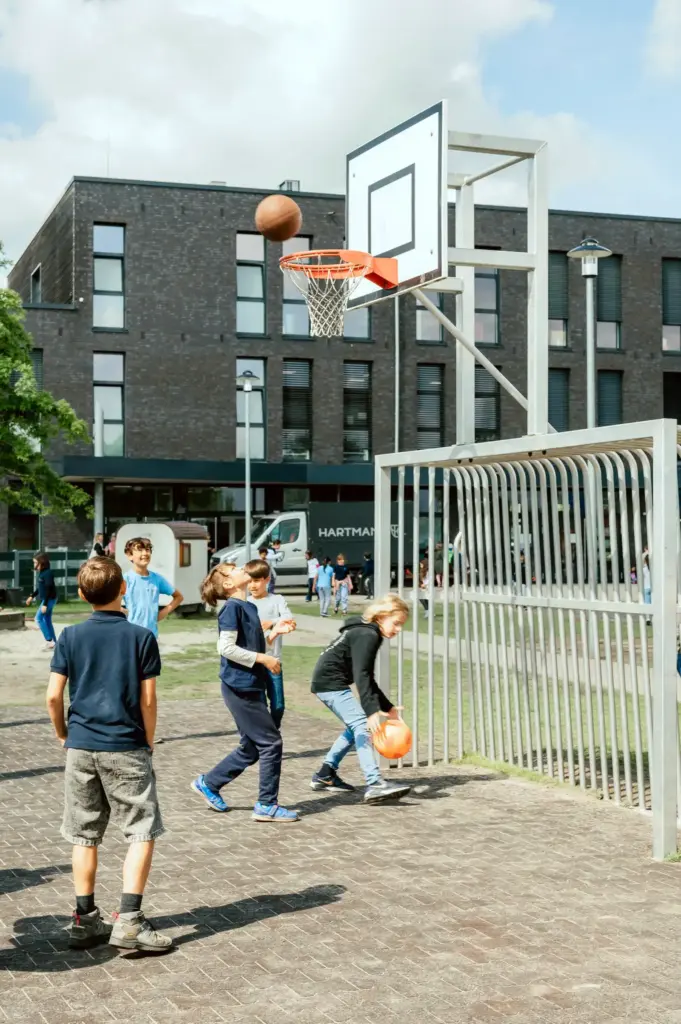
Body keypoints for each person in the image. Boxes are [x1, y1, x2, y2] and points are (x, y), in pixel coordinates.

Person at [45, 557, 171, 952]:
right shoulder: (140, 637)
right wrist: (148, 740)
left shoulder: (69, 636)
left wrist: (64, 733)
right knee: (141, 830)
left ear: (82, 595)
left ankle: (85, 921)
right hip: (126, 743)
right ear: (124, 591)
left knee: (83, 835)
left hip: (80, 745)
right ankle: (130, 921)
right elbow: (148, 700)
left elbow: (52, 695)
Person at [191, 562, 299, 821]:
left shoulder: (248, 606)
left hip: (251, 684)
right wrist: (264, 659)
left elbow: (252, 640)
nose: (240, 567)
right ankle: (266, 805)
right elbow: (226, 648)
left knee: (252, 747)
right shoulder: (230, 608)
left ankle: (209, 783)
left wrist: (274, 633)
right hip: (238, 687)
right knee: (271, 742)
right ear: (229, 584)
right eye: (233, 568)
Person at [310, 594, 412, 803]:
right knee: (363, 727)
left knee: (353, 726)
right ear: (382, 616)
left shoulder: (367, 632)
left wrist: (387, 707)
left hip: (328, 682)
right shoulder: (368, 635)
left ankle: (325, 774)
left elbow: (367, 677)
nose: (399, 629)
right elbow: (362, 675)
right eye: (397, 623)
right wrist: (371, 711)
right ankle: (374, 784)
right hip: (330, 683)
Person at [247, 559, 296, 729]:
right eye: (250, 581)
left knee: (278, 706)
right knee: (259, 706)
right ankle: (265, 741)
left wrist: (271, 622)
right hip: (255, 661)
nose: (252, 585)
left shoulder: (277, 600)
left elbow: (289, 619)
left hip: (274, 661)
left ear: (267, 580)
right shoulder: (246, 604)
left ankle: (272, 733)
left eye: (256, 581)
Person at [123, 536, 183, 637]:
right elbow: (108, 602)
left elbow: (178, 597)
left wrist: (163, 613)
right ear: (129, 555)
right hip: (131, 635)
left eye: (147, 549)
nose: (145, 553)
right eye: (140, 550)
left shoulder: (157, 579)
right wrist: (124, 612)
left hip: (151, 636)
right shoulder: (124, 579)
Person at [26, 552, 58, 650]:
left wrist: (45, 604)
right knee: (47, 620)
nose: (34, 565)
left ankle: (49, 641)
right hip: (49, 599)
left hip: (49, 599)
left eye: (36, 563)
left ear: (42, 563)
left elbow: (49, 589)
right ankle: (54, 642)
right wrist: (32, 596)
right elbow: (41, 588)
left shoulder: (48, 573)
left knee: (38, 618)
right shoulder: (43, 573)